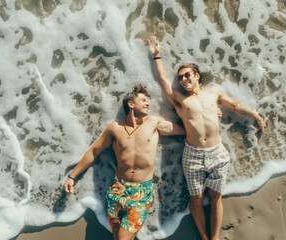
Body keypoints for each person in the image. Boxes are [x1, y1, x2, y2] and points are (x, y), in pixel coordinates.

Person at [148, 36, 266, 240]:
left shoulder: (214, 94)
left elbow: (235, 105)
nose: (183, 80)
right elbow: (164, 82)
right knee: (196, 199)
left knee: (215, 198)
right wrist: (157, 55)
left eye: (186, 75)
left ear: (196, 75)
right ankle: (203, 237)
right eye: (181, 78)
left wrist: (254, 115)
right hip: (192, 155)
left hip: (217, 152)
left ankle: (215, 237)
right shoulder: (181, 101)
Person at [64, 84, 188, 240]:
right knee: (117, 236)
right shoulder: (115, 128)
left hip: (141, 192)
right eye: (143, 100)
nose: (147, 103)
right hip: (118, 189)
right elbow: (94, 151)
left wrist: (210, 116)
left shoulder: (154, 123)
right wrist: (72, 176)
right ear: (131, 104)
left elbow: (188, 129)